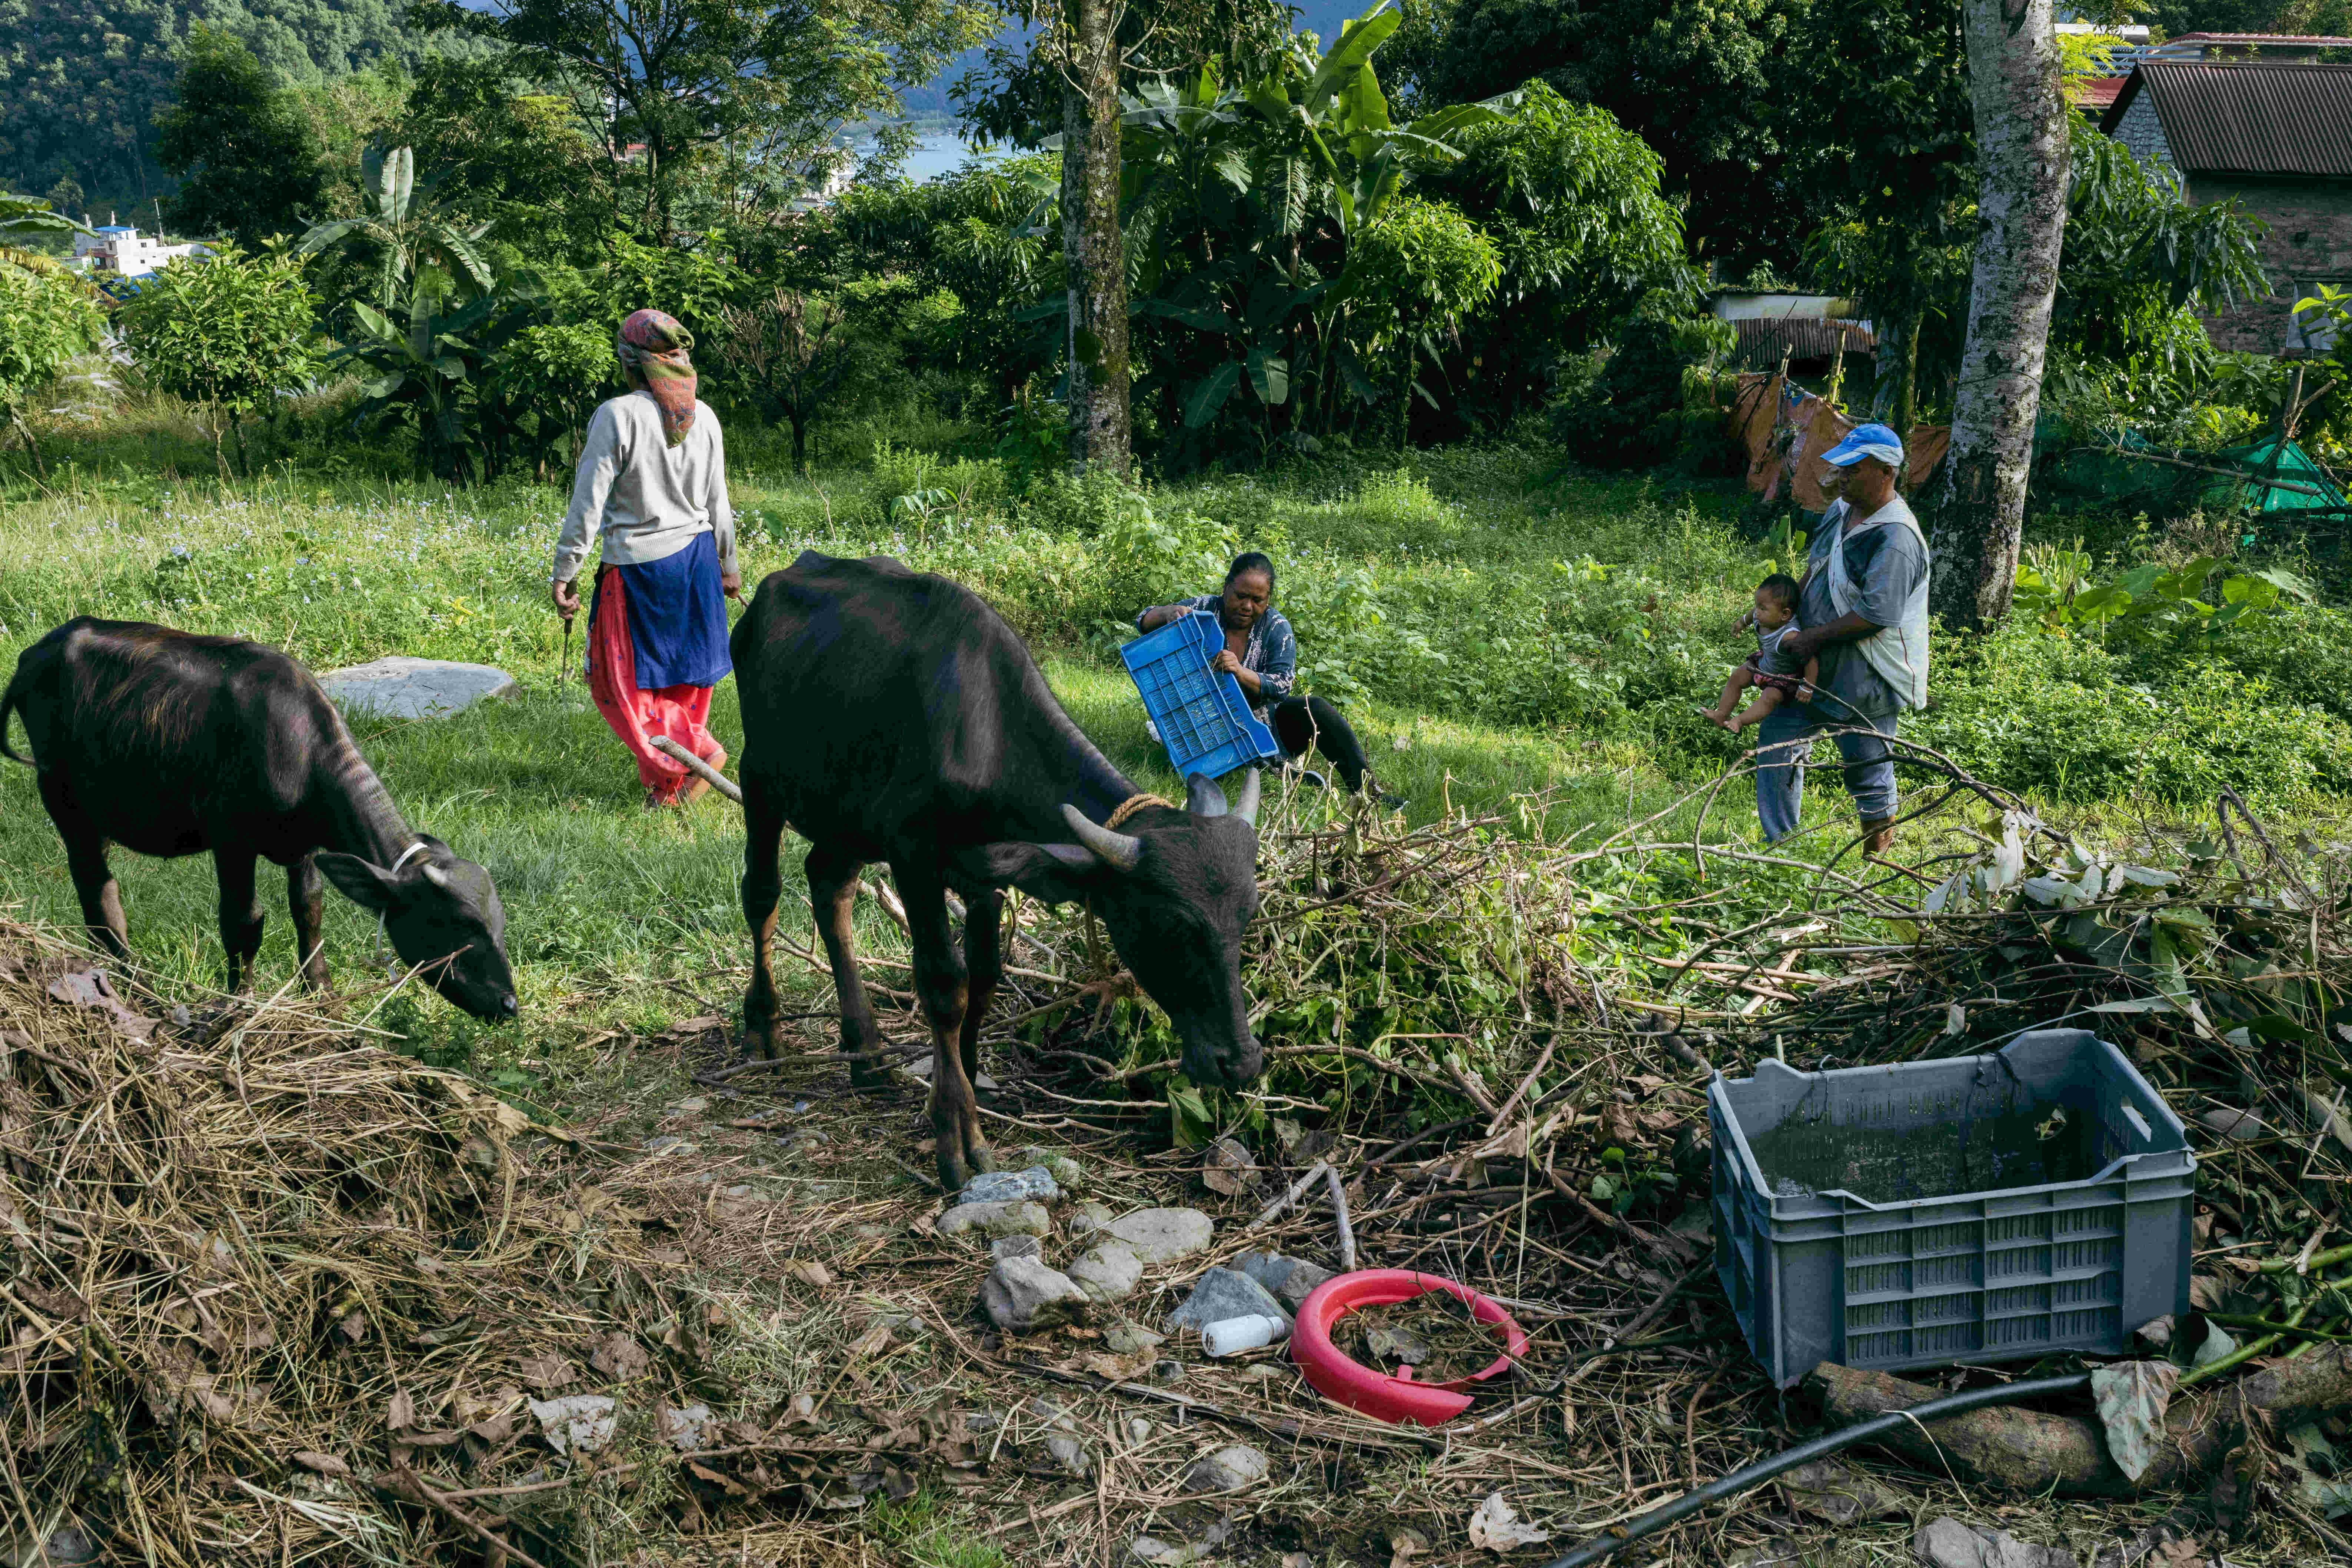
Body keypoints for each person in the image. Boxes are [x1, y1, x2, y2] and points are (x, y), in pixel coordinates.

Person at [551, 309, 740, 807]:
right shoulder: (706, 417)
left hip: (639, 572)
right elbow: (720, 502)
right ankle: (670, 792)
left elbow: (588, 504)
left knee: (622, 685)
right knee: (682, 683)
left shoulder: (617, 415)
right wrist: (730, 567)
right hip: (698, 564)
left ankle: (701, 753)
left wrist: (565, 572)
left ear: (630, 363)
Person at [1753, 422, 1931, 854]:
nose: (1843, 476)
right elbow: (1816, 569)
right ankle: (1782, 852)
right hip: (1809, 663)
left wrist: (1813, 638)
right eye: (1843, 466)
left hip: (1864, 674)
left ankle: (1877, 862)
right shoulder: (1839, 512)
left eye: (1855, 467)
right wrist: (1781, 629)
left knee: (1867, 767)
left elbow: (1876, 613)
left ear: (1886, 472)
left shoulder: (1896, 537)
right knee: (1778, 745)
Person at [1134, 553, 1385, 796]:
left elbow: (1282, 685)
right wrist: (1167, 612)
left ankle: (1366, 789)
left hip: (1264, 724)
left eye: (1257, 600)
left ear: (1268, 600)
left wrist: (1241, 673)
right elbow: (1142, 620)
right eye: (1240, 596)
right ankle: (1269, 768)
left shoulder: (1276, 628)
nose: (1247, 606)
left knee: (1316, 708)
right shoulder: (1204, 610)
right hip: (1201, 719)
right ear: (1226, 588)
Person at [1699, 572, 1818, 732]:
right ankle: (1722, 714)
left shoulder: (1790, 637)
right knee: (1736, 678)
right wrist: (1742, 622)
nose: (1757, 612)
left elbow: (1811, 660)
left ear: (1785, 615)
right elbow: (1751, 614)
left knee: (1770, 698)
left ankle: (1739, 721)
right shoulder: (1761, 617)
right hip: (1764, 663)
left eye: (1763, 608)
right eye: (1757, 606)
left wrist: (1808, 687)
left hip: (1784, 677)